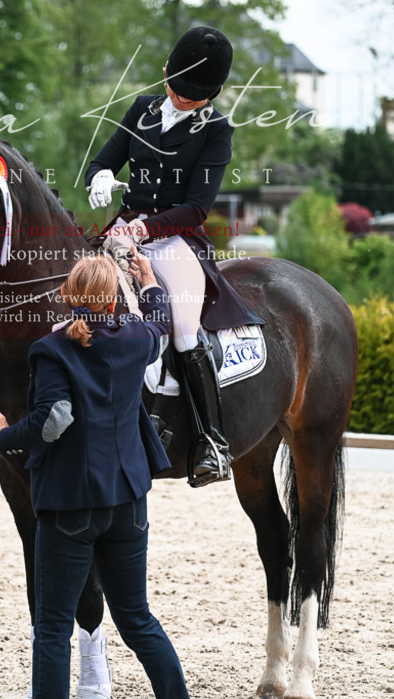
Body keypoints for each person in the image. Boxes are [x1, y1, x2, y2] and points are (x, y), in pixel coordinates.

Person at [0, 251, 191, 699]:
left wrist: (5, 435)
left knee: (54, 628)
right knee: (137, 618)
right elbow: (159, 325)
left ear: (65, 294)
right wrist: (150, 282)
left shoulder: (51, 348)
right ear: (114, 298)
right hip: (129, 501)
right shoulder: (135, 336)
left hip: (70, 503)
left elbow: (54, 419)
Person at [85, 25, 262, 486]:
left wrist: (146, 228)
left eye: (195, 97)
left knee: (183, 325)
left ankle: (210, 441)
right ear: (165, 71)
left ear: (213, 94)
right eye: (178, 90)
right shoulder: (142, 109)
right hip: (122, 230)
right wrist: (99, 176)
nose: (183, 101)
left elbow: (198, 206)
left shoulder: (217, 130)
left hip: (174, 239)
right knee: (73, 290)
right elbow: (104, 159)